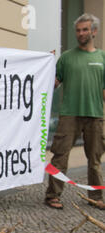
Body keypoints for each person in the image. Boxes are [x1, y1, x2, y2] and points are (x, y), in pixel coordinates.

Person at [45, 13, 105, 210]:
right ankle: (52, 195)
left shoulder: (102, 58)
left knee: (94, 160)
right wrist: (44, 66)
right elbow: (53, 84)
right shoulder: (66, 58)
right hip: (69, 114)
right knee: (60, 156)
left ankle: (96, 197)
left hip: (95, 114)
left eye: (85, 29)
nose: (81, 33)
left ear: (94, 31)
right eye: (78, 30)